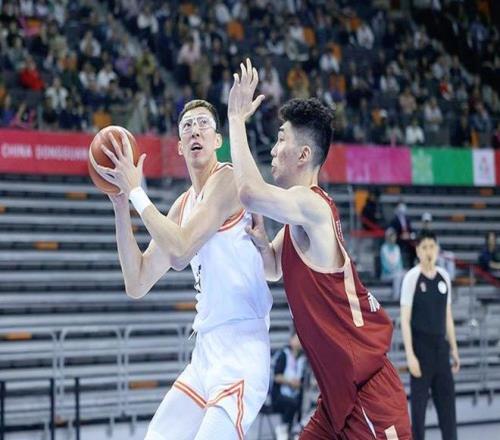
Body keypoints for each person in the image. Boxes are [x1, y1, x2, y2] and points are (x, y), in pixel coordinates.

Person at [227, 59, 411, 439]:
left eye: (281, 139)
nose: (273, 149)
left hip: (369, 395)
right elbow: (273, 269)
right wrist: (262, 244)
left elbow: (247, 191)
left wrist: (235, 119)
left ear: (303, 155)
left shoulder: (312, 206)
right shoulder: (298, 219)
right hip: (336, 399)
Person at [90, 99, 272, 440]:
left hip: (241, 349)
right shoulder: (183, 204)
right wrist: (121, 204)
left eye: (203, 124)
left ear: (217, 140)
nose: (195, 131)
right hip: (205, 354)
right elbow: (137, 281)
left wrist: (137, 191)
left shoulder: (228, 179)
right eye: (187, 126)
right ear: (179, 146)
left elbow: (181, 249)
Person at [400, 230, 460, 440]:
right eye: (424, 247)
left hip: (441, 351)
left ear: (437, 249)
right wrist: (410, 355)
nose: (428, 252)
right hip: (420, 351)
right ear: (418, 250)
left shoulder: (444, 278)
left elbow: (448, 317)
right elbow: (404, 320)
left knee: (448, 412)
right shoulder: (411, 278)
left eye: (432, 247)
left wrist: (454, 349)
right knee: (418, 414)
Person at [272, 331, 306, 440]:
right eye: (297, 339)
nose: (299, 342)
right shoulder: (283, 355)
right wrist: (290, 382)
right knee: (293, 403)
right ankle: (284, 429)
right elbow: (277, 377)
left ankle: (295, 431)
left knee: (302, 402)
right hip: (279, 396)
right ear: (291, 340)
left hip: (294, 395)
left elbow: (303, 381)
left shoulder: (302, 359)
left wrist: (299, 384)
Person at [380, 227, 405, 301]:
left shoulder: (397, 248)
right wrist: (395, 271)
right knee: (397, 276)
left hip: (397, 272)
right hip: (386, 274)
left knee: (406, 274)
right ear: (388, 237)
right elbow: (385, 265)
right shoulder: (384, 248)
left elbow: (400, 263)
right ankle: (396, 298)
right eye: (392, 236)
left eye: (395, 236)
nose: (394, 238)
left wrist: (399, 270)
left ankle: (405, 297)